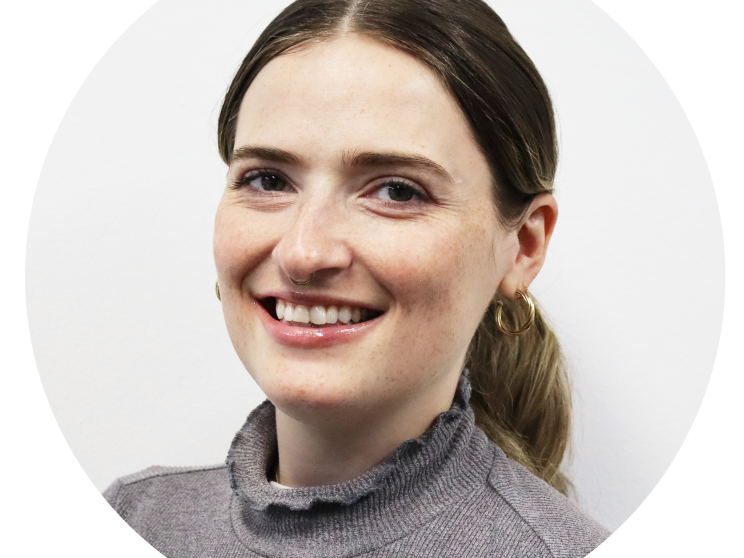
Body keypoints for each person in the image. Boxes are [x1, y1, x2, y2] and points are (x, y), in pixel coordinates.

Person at [104, 0, 610, 555]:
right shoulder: (140, 516)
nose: (303, 252)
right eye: (268, 180)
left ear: (524, 245)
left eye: (396, 190)